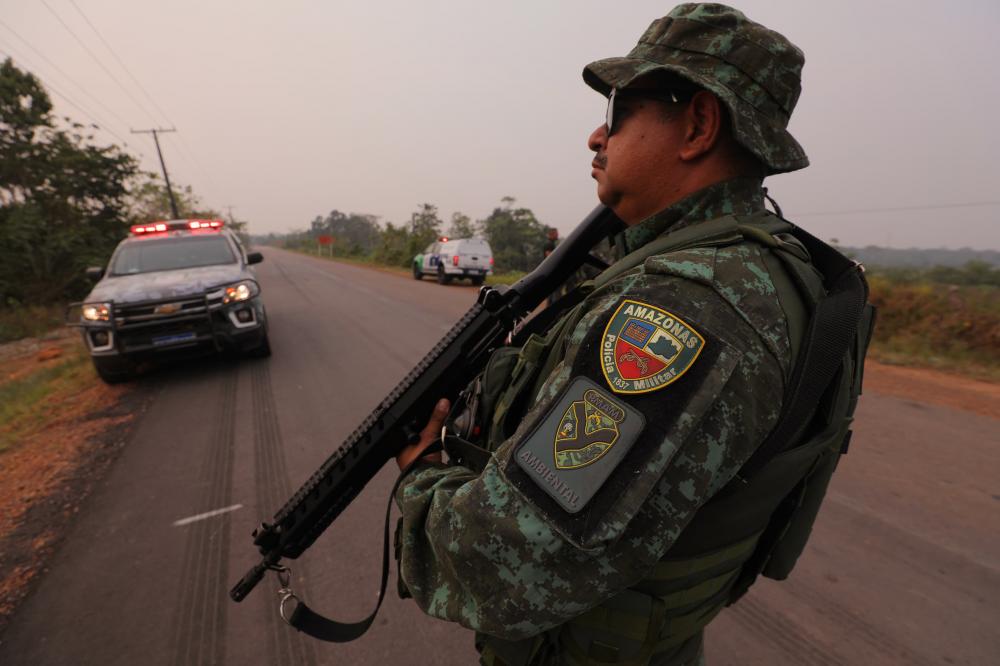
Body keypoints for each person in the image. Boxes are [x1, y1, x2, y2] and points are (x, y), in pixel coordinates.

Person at [393, 4, 870, 665]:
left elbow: (504, 570)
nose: (596, 135)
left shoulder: (686, 304)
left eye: (618, 109)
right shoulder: (752, 269)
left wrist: (420, 478)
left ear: (699, 124)